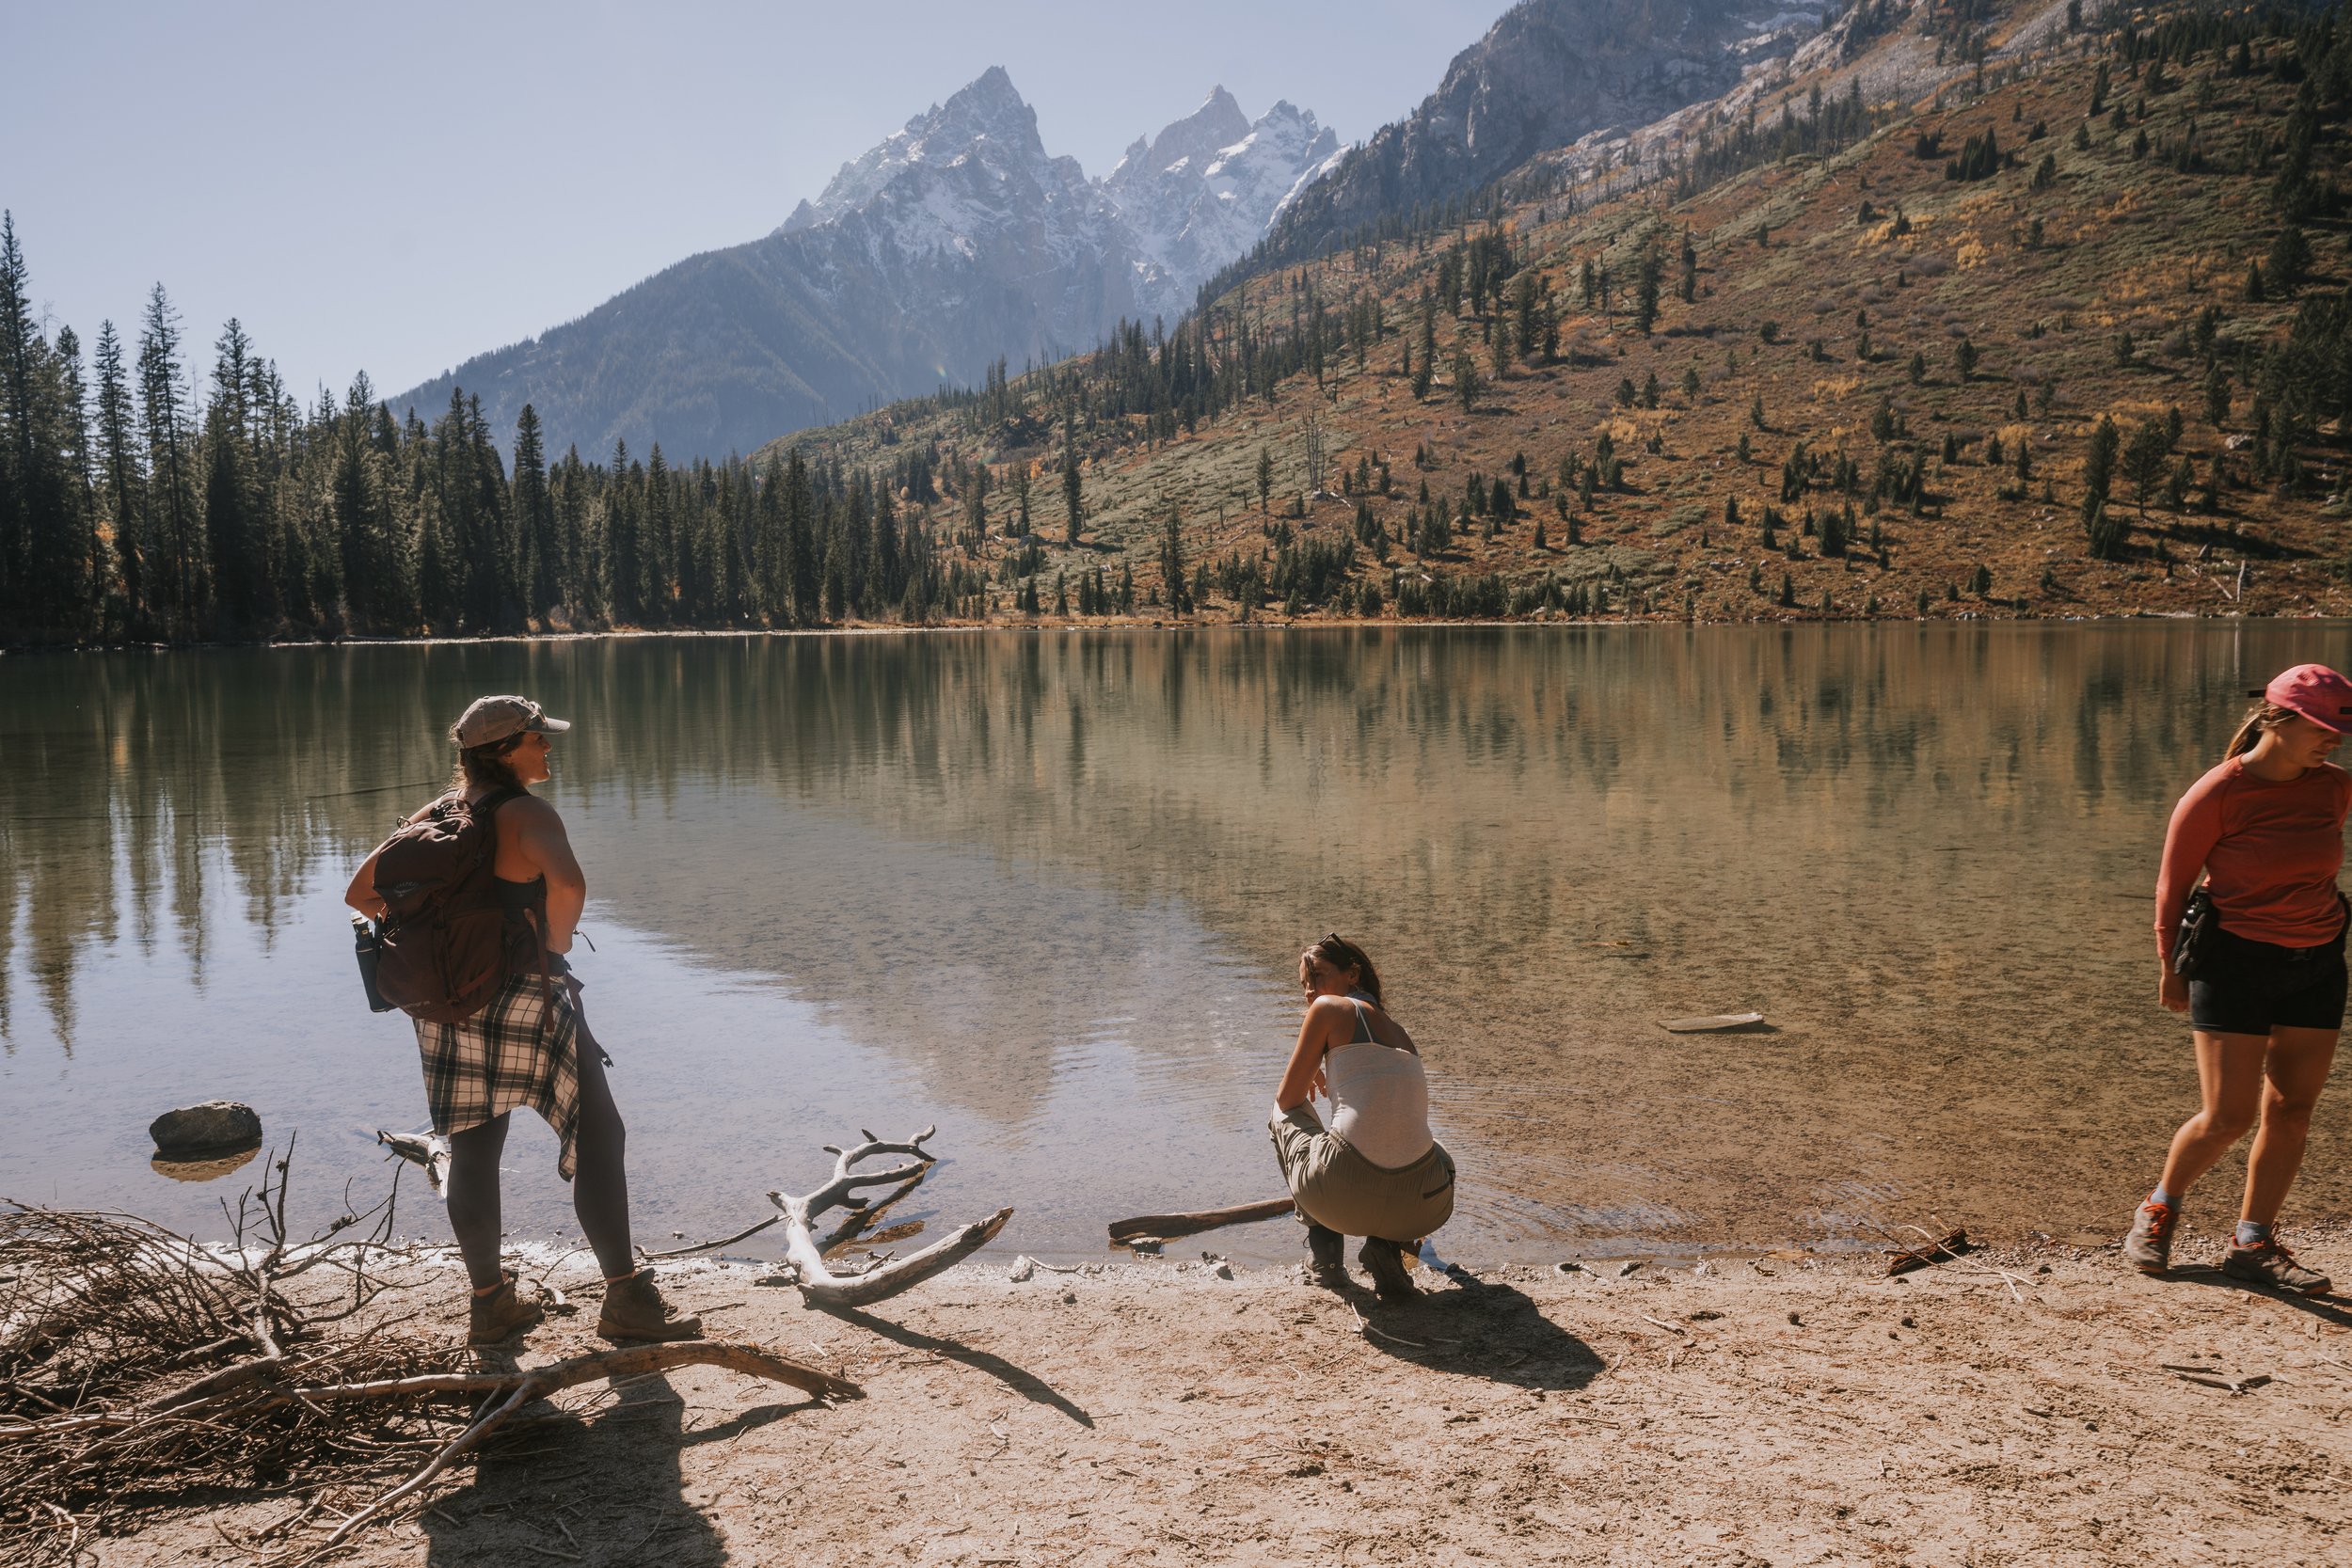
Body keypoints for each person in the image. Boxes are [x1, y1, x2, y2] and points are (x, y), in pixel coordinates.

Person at [346, 695, 701, 1343]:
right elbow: (568, 885)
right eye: (538, 738)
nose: (548, 748)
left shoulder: (437, 815)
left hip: (446, 1008)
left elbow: (360, 890)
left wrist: (442, 936)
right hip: (521, 994)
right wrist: (556, 946)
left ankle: (492, 1306)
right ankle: (625, 1300)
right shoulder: (526, 813)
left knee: (476, 1148)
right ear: (506, 750)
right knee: (599, 1130)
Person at [2127, 664, 2352, 1294]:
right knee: (2227, 1115)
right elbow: (2170, 893)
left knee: (2292, 1108)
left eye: (2340, 729)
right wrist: (2170, 968)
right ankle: (2159, 1206)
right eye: (2322, 727)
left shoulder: (2333, 788)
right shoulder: (2217, 792)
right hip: (2233, 963)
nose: (2333, 740)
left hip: (2317, 962)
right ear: (2277, 718)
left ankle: (2253, 1242)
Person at [1267, 934, 1455, 1302]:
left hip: (1341, 1194)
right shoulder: (1401, 1034)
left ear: (1352, 975)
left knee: (1282, 1112)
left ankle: (1326, 1261)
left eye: (1318, 977)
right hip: (1424, 1205)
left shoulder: (1326, 1010)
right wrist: (1318, 1063)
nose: (1310, 992)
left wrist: (1309, 1067)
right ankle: (1387, 1250)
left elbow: (1288, 1098)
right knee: (1429, 1147)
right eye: (1305, 985)